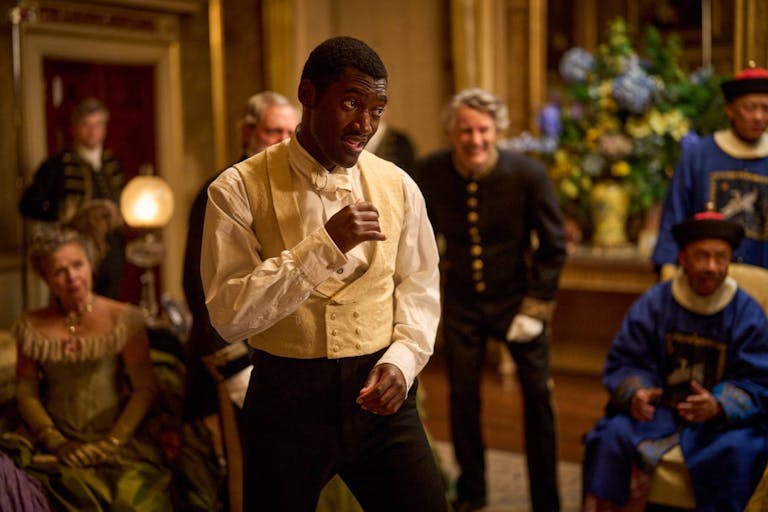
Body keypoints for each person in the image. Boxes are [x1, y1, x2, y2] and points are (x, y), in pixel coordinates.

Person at [200, 36, 447, 511]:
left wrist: (402, 360)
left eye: (377, 109)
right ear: (307, 95)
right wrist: (324, 246)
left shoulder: (399, 185)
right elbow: (229, 314)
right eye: (352, 103)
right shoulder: (234, 190)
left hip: (381, 396)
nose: (365, 125)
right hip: (285, 402)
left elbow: (420, 287)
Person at [415, 88, 566, 512]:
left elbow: (553, 247)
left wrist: (536, 308)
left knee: (537, 398)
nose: (475, 140)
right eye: (465, 131)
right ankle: (472, 490)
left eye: (483, 130)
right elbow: (416, 238)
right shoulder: (429, 171)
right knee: (462, 398)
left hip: (518, 301)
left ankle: (547, 499)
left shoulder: (528, 175)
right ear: (451, 132)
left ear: (496, 131)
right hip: (462, 302)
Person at [583, 211, 768, 511]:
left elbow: (759, 379)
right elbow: (626, 360)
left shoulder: (746, 313)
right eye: (702, 256)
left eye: (721, 257)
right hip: (658, 413)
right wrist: (637, 393)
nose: (712, 267)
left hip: (720, 426)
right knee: (612, 437)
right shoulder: (655, 303)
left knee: (742, 451)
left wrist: (720, 404)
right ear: (682, 257)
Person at [1, 201, 171, 510]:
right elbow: (26, 390)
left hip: (120, 444)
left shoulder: (124, 319)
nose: (72, 277)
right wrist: (56, 441)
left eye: (78, 265)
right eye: (59, 271)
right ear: (46, 278)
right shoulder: (31, 325)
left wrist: (112, 442)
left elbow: (145, 388)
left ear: (91, 264)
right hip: (56, 446)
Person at [182, 91, 298, 424]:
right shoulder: (220, 191)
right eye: (273, 132)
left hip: (279, 361)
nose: (283, 142)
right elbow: (200, 287)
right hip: (232, 368)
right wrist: (236, 371)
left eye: (291, 134)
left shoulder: (290, 189)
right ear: (248, 133)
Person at [652, 64, 768, 273]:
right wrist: (667, 266)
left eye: (766, 108)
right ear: (730, 109)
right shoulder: (698, 155)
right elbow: (675, 214)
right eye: (750, 108)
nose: (759, 117)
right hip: (705, 276)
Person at [19, 97, 126, 299]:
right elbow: (27, 205)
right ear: (75, 128)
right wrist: (61, 218)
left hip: (112, 250)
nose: (93, 131)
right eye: (86, 125)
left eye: (98, 125)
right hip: (75, 249)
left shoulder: (113, 161)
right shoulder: (57, 165)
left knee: (109, 304)